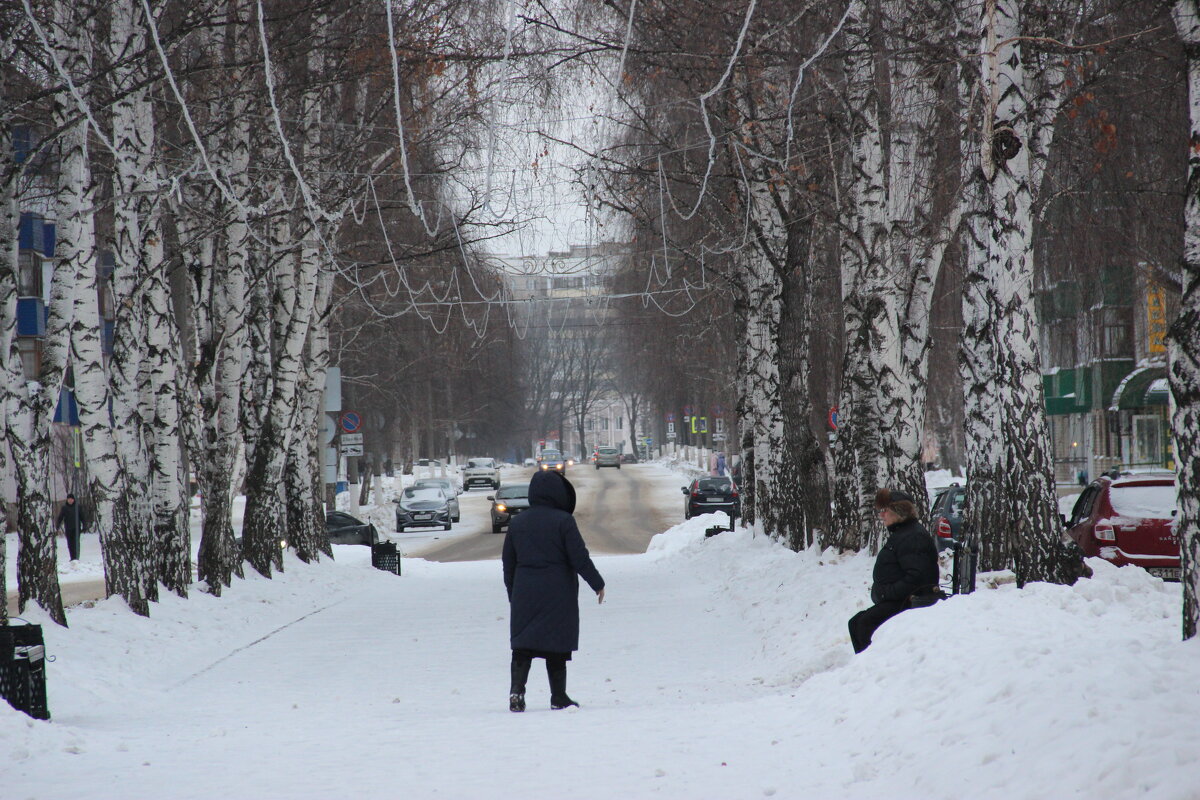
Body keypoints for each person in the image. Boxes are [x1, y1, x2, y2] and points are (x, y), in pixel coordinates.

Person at [502, 469, 605, 712]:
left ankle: (516, 691)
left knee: (522, 646)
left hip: (525, 591)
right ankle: (558, 696)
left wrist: (513, 594)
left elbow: (509, 563)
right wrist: (597, 582)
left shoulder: (517, 523)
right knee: (557, 645)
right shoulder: (564, 521)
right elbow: (579, 557)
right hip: (558, 592)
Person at [847, 487, 940, 654]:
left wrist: (887, 593)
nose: (881, 515)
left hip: (910, 601)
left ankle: (871, 667)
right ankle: (863, 667)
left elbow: (917, 577)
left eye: (885, 511)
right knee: (856, 623)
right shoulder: (904, 533)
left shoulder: (913, 536)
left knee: (864, 623)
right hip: (901, 599)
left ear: (899, 513)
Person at [56, 493, 84, 561]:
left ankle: (76, 557)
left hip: (76, 528)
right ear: (67, 500)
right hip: (68, 528)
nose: (70, 500)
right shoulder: (64, 508)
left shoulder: (78, 507)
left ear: (73, 500)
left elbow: (82, 517)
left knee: (76, 543)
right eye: (69, 499)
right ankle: (72, 557)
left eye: (71, 499)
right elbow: (60, 517)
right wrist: (57, 525)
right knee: (70, 544)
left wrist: (85, 525)